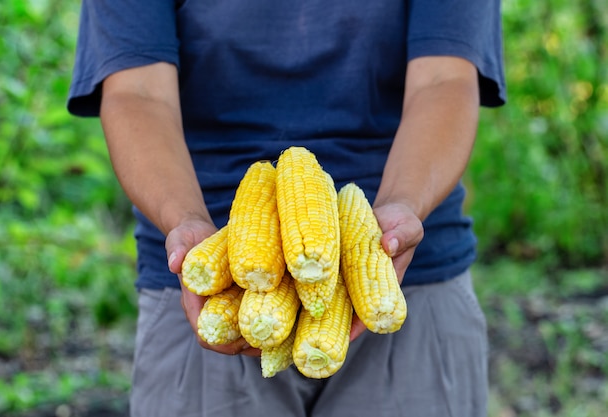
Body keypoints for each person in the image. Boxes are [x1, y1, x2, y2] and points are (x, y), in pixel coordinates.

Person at [67, 1, 506, 416]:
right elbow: (137, 91)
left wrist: (401, 205)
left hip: (409, 273)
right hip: (211, 282)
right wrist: (185, 221)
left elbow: (445, 79)